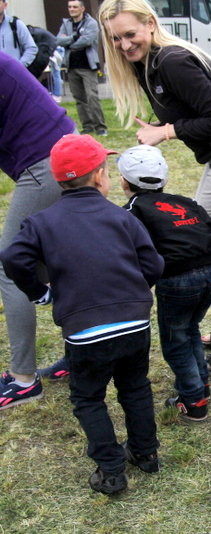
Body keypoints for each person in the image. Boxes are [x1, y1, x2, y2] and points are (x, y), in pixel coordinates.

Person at [99, 0, 211, 377]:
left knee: (201, 253)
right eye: (116, 39)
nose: (125, 45)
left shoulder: (171, 60)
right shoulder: (147, 65)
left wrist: (166, 131)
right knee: (209, 242)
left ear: (150, 24)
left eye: (130, 34)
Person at [0, 134, 163, 495]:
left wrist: (40, 293)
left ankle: (111, 470)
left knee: (89, 398)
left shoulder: (41, 222)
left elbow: (12, 258)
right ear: (100, 177)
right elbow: (153, 263)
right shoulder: (122, 216)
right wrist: (134, 292)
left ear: (59, 181)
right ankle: (146, 453)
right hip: (135, 323)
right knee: (135, 387)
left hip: (85, 331)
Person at [119, 145, 211, 422]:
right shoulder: (184, 201)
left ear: (123, 181)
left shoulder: (132, 210)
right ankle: (201, 383)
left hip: (178, 280)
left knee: (175, 341)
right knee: (190, 328)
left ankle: (193, 400)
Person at [0, 51, 75, 410]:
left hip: (45, 162)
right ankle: (81, 356)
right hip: (57, 153)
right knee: (55, 263)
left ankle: (24, 380)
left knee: (11, 264)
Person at [57, 0, 108, 136]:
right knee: (79, 98)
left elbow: (87, 40)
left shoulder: (91, 23)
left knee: (92, 96)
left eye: (75, 7)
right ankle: (87, 126)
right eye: (69, 7)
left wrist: (69, 43)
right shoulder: (66, 24)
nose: (71, 9)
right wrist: (74, 37)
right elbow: (58, 40)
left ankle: (100, 126)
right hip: (71, 66)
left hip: (87, 66)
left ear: (82, 9)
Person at [0, 0, 37, 67]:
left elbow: (31, 48)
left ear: (5, 5)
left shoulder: (15, 24)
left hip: (13, 75)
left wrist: (19, 67)